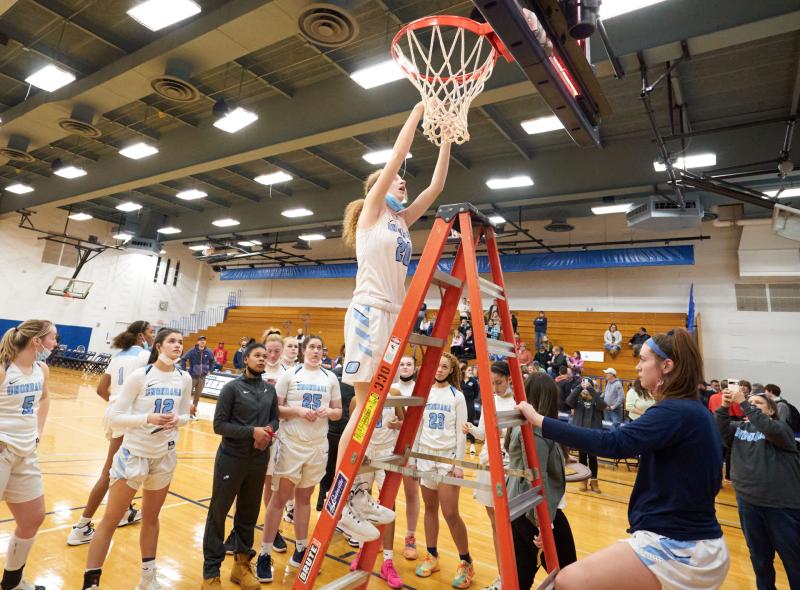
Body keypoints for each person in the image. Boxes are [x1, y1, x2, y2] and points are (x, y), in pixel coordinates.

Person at [518, 328, 729, 590]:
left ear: (666, 366)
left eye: (643, 360)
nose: (638, 367)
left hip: (680, 547)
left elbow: (614, 443)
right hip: (700, 542)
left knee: (567, 581)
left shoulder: (674, 411)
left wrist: (540, 421)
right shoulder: (694, 411)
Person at [339, 102, 452, 537]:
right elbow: (395, 158)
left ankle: (361, 488)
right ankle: (344, 494)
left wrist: (446, 133)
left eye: (405, 183)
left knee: (377, 407)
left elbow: (437, 186)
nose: (404, 184)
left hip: (393, 317)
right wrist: (419, 110)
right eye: (398, 181)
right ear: (378, 188)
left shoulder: (402, 222)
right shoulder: (372, 215)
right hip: (369, 314)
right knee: (366, 404)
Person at [82, 328, 192, 590]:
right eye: (172, 341)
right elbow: (114, 416)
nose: (178, 345)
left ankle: (148, 578)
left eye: (180, 342)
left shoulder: (184, 377)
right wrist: (146, 418)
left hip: (163, 456)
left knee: (151, 518)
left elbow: (187, 413)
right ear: (159, 346)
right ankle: (91, 582)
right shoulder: (140, 376)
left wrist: (179, 420)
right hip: (134, 454)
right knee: (111, 518)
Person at [256, 335, 343, 582]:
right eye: (312, 347)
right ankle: (264, 553)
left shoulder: (330, 378)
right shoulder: (290, 375)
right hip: (291, 444)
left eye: (320, 348)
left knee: (305, 497)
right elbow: (276, 409)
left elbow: (338, 413)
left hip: (317, 446)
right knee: (280, 498)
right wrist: (297, 411)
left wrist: (330, 412)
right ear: (304, 351)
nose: (316, 351)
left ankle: (301, 548)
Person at [68, 321, 155, 547]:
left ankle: (125, 511)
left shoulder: (117, 356)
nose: (154, 336)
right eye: (151, 332)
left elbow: (100, 389)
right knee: (110, 472)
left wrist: (116, 405)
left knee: (125, 468)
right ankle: (81, 526)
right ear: (140, 337)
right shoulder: (145, 356)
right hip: (128, 418)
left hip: (115, 414)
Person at [201, 342, 279, 590]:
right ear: (245, 359)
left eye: (265, 357)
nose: (262, 360)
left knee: (248, 514)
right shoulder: (231, 388)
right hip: (231, 459)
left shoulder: (269, 390)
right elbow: (219, 425)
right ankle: (211, 573)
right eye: (257, 355)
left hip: (258, 460)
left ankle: (241, 566)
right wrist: (251, 432)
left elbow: (275, 419)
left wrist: (268, 432)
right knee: (218, 514)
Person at [716, 387, 800, 590]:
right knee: (760, 560)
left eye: (758, 403)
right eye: (750, 403)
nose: (752, 405)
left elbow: (771, 430)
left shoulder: (781, 430)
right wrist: (725, 407)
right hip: (749, 505)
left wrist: (744, 403)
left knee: (794, 562)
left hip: (782, 507)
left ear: (771, 411)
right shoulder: (738, 429)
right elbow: (719, 429)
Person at [0, 320, 56, 590]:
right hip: (2, 450)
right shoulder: (3, 369)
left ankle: (12, 582)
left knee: (33, 517)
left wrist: (39, 431)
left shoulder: (41, 369)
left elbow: (44, 399)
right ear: (37, 342)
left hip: (26, 452)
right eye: (52, 339)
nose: (55, 345)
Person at [508, 373, 576, 589]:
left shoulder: (527, 425)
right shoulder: (535, 431)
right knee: (568, 574)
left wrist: (561, 455)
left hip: (520, 510)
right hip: (532, 513)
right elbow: (537, 480)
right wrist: (543, 525)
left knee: (522, 574)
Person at [414, 353, 473, 587]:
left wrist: (458, 464)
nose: (439, 369)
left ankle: (466, 561)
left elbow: (462, 432)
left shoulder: (457, 396)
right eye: (436, 365)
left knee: (450, 514)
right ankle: (432, 555)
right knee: (429, 509)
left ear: (451, 370)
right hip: (425, 458)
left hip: (447, 460)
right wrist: (414, 457)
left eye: (444, 366)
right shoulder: (424, 393)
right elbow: (418, 426)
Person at [462, 361, 517, 590]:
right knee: (496, 525)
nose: (495, 388)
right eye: (492, 383)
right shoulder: (490, 399)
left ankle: (515, 575)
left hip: (510, 466)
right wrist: (471, 430)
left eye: (499, 382)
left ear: (510, 378)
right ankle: (502, 576)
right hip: (487, 464)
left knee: (511, 525)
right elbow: (484, 433)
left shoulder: (519, 401)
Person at [391, 356, 421, 560]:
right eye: (401, 364)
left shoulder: (421, 389)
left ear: (414, 367)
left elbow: (420, 422)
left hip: (411, 449)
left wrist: (401, 425)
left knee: (411, 494)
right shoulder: (391, 388)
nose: (405, 367)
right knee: (386, 496)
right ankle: (382, 536)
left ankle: (410, 536)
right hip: (390, 448)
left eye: (408, 364)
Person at [317, 366, 354, 512]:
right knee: (327, 473)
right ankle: (322, 508)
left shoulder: (361, 378)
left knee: (347, 475)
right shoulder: (333, 375)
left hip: (351, 433)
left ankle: (345, 512)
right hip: (331, 432)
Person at [566, 380, 606, 493]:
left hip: (593, 432)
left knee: (593, 458)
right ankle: (583, 480)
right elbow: (569, 401)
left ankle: (594, 481)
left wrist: (591, 390)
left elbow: (602, 406)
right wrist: (579, 387)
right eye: (584, 386)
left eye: (587, 386)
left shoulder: (597, 397)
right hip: (581, 432)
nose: (585, 388)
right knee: (582, 457)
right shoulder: (577, 398)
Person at [181, 335, 216, 419]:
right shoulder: (192, 351)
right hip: (192, 377)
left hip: (202, 378)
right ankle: (183, 411)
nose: (202, 341)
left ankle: (192, 413)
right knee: (187, 395)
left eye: (204, 340)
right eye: (200, 340)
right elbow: (183, 359)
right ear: (198, 342)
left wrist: (210, 370)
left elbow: (212, 361)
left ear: (205, 342)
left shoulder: (209, 351)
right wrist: (184, 370)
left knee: (197, 396)